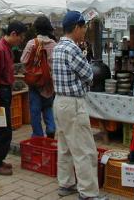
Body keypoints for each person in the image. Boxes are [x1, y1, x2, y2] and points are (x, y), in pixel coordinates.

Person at [52, 11, 107, 200]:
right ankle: (89, 193)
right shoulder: (72, 49)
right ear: (76, 27)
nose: (84, 31)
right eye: (83, 28)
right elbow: (89, 75)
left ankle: (66, 184)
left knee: (65, 146)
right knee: (84, 150)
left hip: (59, 101)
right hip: (73, 104)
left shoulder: (59, 46)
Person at [0, 21, 27, 175]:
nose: (21, 40)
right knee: (4, 131)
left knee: (0, 129)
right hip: (0, 93)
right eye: (21, 37)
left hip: (5, 92)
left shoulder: (7, 48)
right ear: (13, 34)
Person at [21, 16, 56, 138]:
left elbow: (23, 60)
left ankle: (38, 135)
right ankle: (51, 127)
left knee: (35, 111)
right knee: (47, 107)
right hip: (49, 83)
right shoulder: (54, 45)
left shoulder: (32, 43)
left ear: (36, 28)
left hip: (35, 82)